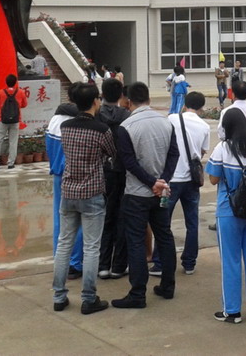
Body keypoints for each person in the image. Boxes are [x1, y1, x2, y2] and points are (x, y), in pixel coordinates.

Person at [112, 82, 180, 309]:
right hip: (161, 192)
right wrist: (163, 181)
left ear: (128, 101)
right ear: (149, 99)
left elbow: (128, 162)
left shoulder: (126, 127)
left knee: (135, 241)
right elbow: (174, 154)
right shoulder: (166, 122)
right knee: (164, 236)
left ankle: (137, 293)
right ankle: (168, 286)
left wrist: (152, 182)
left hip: (136, 194)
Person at [52, 83, 116, 315]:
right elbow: (112, 153)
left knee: (64, 244)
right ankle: (89, 298)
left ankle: (59, 296)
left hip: (68, 191)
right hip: (92, 192)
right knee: (91, 247)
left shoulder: (65, 127)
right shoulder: (101, 130)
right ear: (95, 102)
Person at [208, 108, 246, 323]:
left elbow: (213, 179)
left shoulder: (222, 148)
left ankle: (232, 311)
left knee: (230, 260)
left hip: (228, 210)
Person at [151, 91, 210, 277]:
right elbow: (201, 152)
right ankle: (189, 263)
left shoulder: (172, 119)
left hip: (171, 179)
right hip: (192, 181)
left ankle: (160, 263)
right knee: (192, 222)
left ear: (184, 104)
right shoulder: (204, 126)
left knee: (163, 222)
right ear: (202, 107)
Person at [46, 83, 84, 281]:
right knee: (80, 221)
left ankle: (60, 259)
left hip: (58, 175)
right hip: (76, 176)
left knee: (60, 219)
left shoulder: (55, 119)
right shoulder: (79, 121)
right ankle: (75, 263)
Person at [97, 78, 131, 279]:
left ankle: (103, 264)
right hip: (124, 170)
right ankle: (119, 265)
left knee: (105, 216)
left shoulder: (96, 116)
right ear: (121, 95)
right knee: (122, 216)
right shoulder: (127, 116)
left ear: (102, 94)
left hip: (103, 171)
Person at [0, 74, 28, 170]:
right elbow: (24, 105)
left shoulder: (0, 92)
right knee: (13, 141)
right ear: (15, 82)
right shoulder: (21, 92)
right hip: (15, 120)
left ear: (6, 82)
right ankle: (11, 163)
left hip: (2, 119)